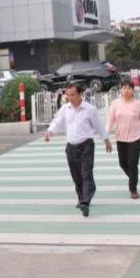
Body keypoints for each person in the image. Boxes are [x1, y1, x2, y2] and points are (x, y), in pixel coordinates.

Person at [45, 83, 111, 217]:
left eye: (72, 95)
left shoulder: (90, 109)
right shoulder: (65, 109)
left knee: (86, 173)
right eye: (68, 95)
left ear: (80, 94)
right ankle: (81, 198)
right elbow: (57, 122)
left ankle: (85, 202)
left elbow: (99, 125)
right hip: (71, 147)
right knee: (76, 175)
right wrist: (49, 132)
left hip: (86, 145)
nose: (70, 97)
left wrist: (106, 140)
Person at [106, 79, 140, 200]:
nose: (126, 90)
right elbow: (110, 121)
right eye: (124, 88)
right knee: (123, 163)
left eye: (129, 88)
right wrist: (105, 136)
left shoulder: (138, 104)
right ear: (120, 89)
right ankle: (134, 177)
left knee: (132, 163)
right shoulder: (115, 104)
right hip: (121, 138)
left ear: (133, 90)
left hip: (135, 138)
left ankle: (133, 188)